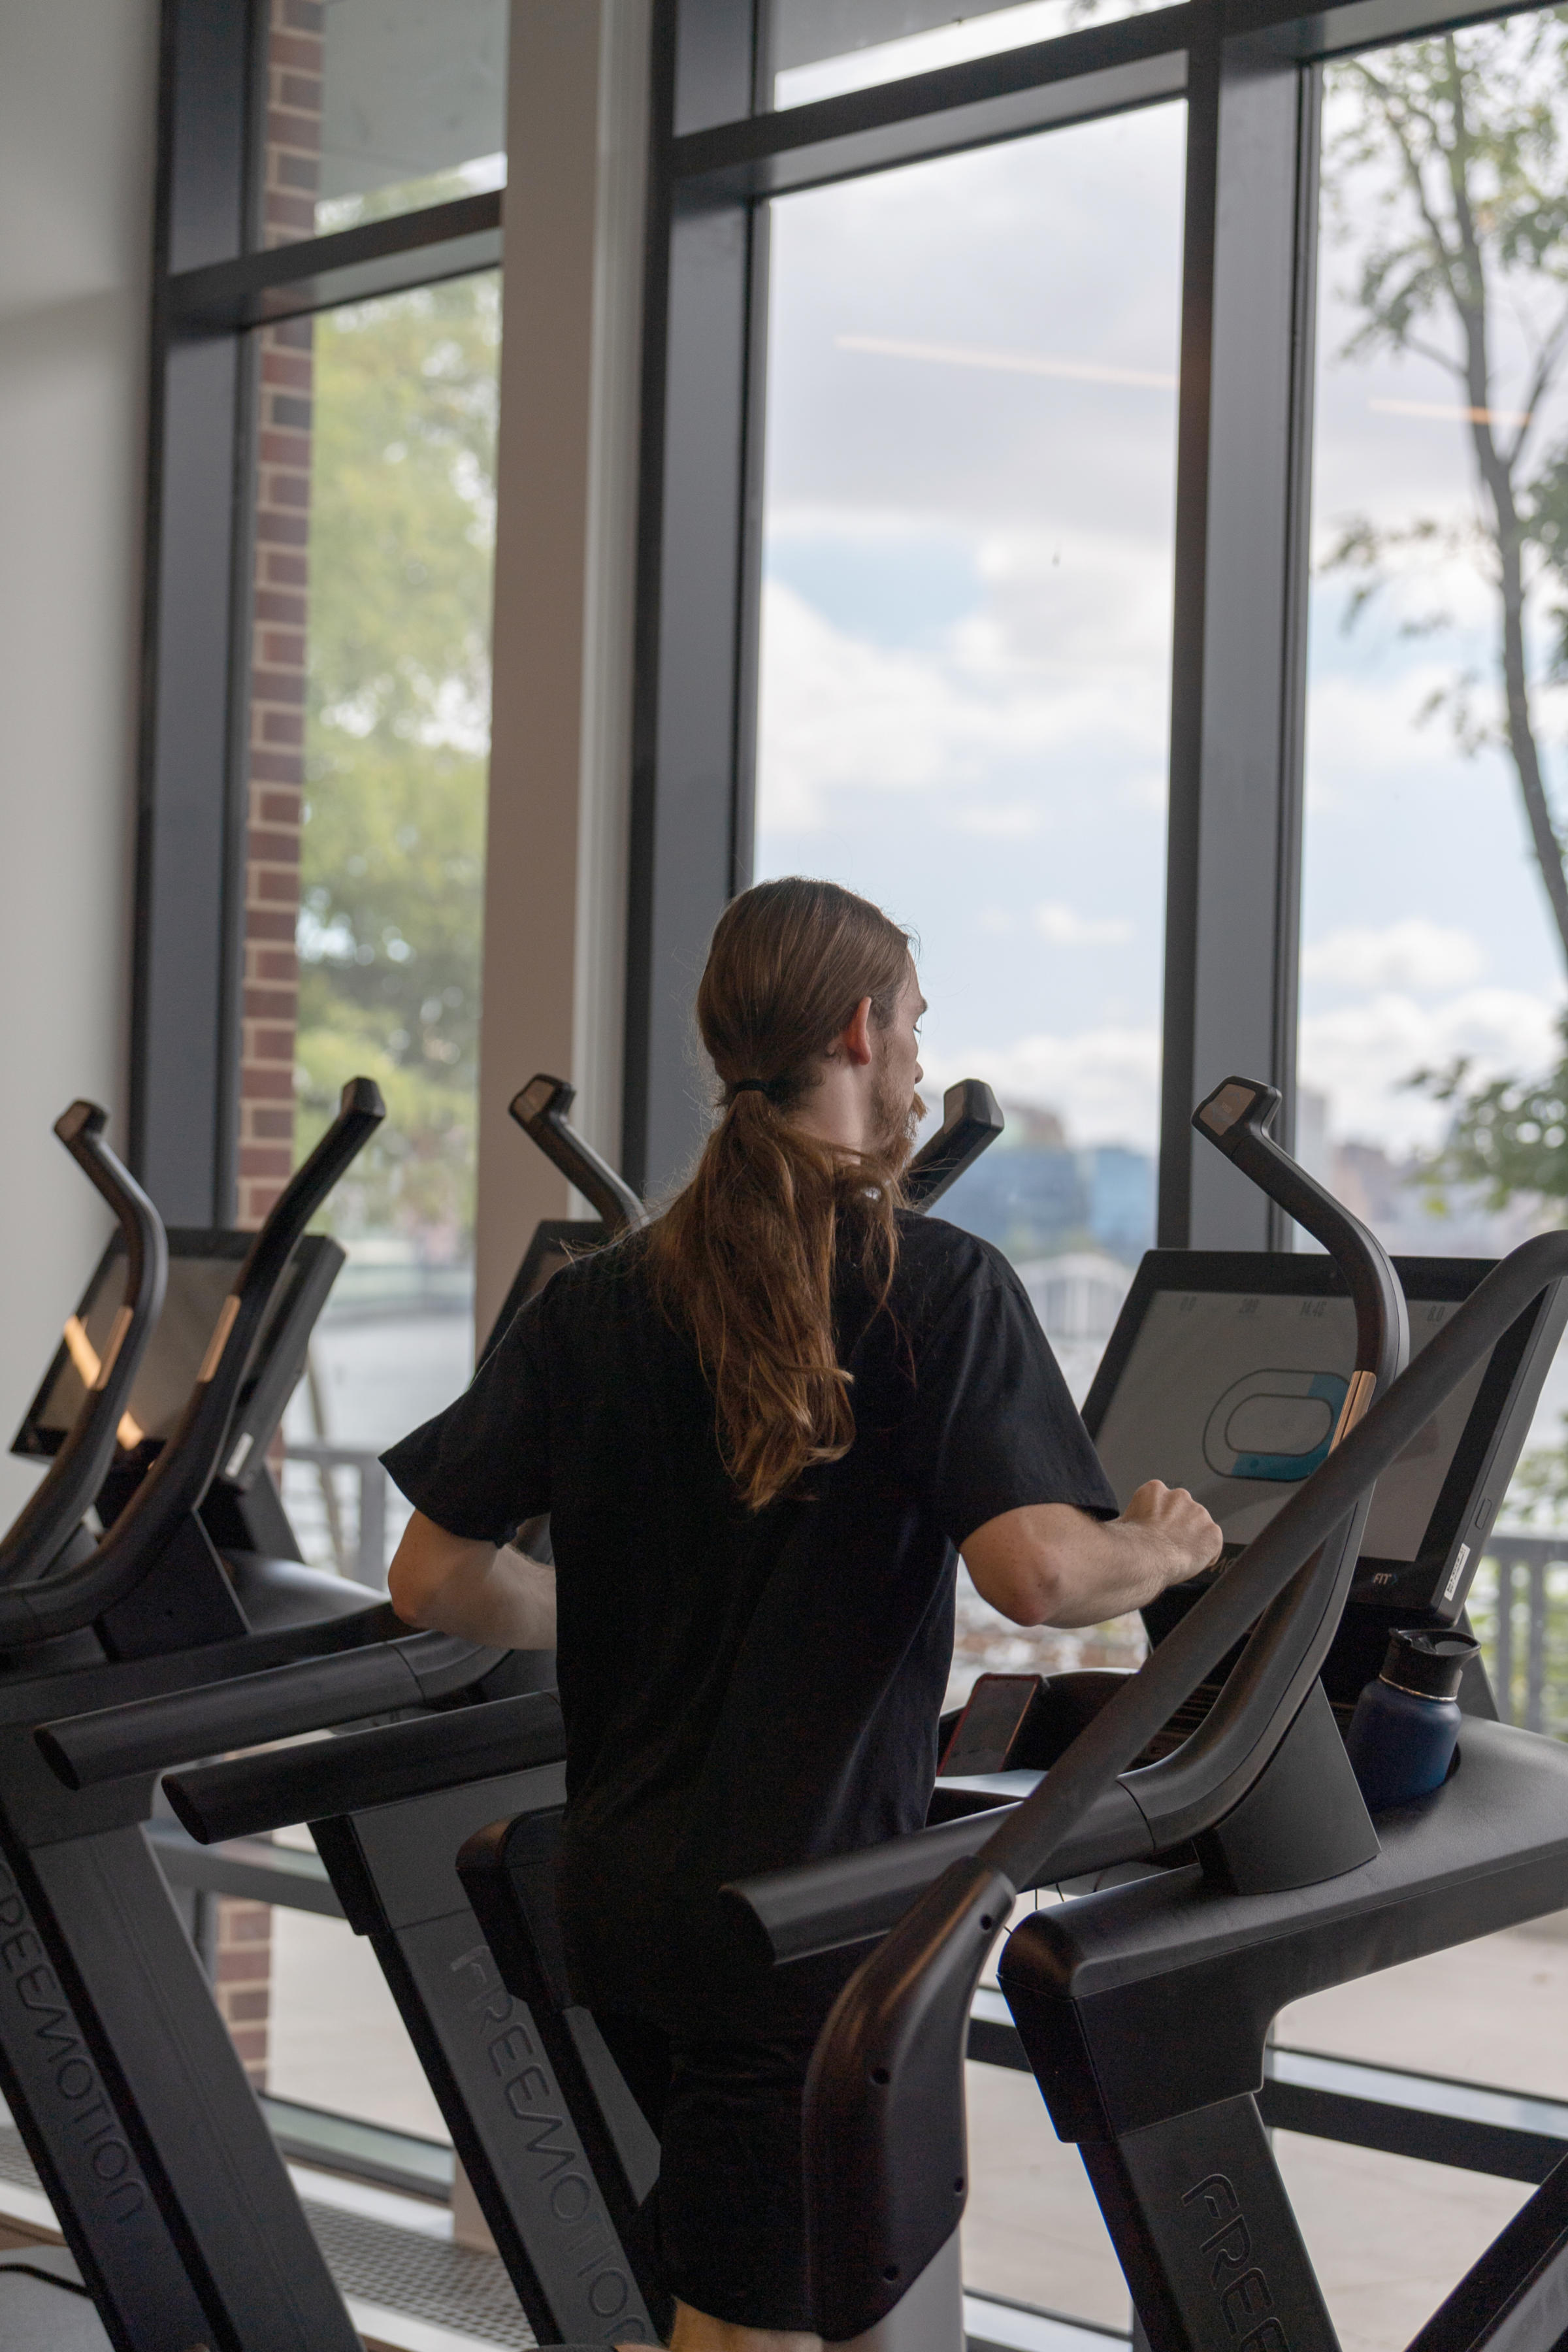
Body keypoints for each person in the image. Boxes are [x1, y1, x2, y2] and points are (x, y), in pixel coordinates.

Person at [382, 877, 1221, 2352]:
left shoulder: (603, 1295)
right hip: (800, 1926)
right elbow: (1034, 1574)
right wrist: (1154, 1550)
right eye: (909, 1026)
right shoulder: (936, 1279)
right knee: (747, 2329)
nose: (914, 1060)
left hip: (622, 1902)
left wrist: (610, 1608)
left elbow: (433, 1578)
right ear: (857, 1028)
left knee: (771, 2289)